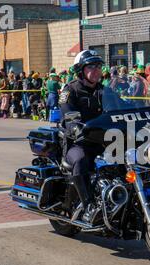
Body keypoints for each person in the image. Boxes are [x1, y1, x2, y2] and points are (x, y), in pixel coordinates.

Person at [59, 50, 105, 216]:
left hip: (104, 141)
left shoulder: (105, 91)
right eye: (91, 66)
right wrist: (74, 125)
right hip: (78, 142)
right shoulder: (70, 90)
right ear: (80, 70)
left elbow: (121, 107)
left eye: (98, 66)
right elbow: (67, 113)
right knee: (80, 160)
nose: (96, 70)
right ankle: (88, 206)